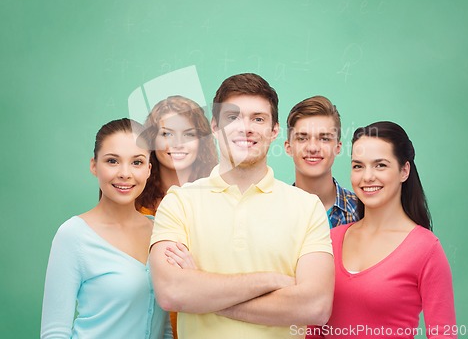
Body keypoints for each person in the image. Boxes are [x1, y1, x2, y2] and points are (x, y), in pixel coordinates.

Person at [149, 73, 334, 339]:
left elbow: (315, 307)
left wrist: (203, 293)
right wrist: (269, 281)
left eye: (258, 119)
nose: (245, 128)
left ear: (274, 131)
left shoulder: (307, 207)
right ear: (214, 126)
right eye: (232, 118)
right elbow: (172, 293)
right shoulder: (179, 202)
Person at [306, 121, 456, 339]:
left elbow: (443, 334)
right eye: (358, 166)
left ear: (404, 170)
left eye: (380, 165)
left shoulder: (426, 249)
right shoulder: (331, 239)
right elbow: (314, 330)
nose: (367, 177)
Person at [41, 118, 172, 339]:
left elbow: (166, 326)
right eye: (112, 161)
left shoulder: (160, 232)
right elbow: (54, 333)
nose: (125, 173)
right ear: (94, 166)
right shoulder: (73, 236)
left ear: (149, 170)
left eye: (137, 162)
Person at [136, 95, 218, 339]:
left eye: (189, 134)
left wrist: (196, 277)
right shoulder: (136, 205)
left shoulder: (219, 199)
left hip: (206, 328)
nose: (177, 143)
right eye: (167, 134)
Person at [285, 96, 357, 227]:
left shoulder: (362, 211)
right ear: (288, 147)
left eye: (324, 139)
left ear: (337, 147)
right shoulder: (274, 210)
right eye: (302, 138)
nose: (313, 148)